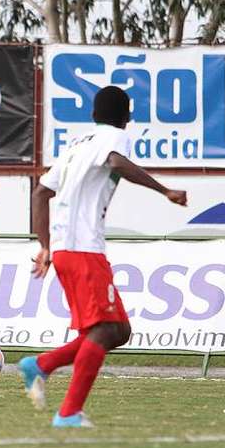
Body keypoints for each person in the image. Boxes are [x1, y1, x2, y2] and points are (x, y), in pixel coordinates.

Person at [19, 85, 187, 427]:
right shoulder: (115, 138)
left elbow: (40, 194)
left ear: (94, 115)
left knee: (118, 329)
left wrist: (46, 246)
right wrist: (165, 190)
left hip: (69, 250)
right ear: (126, 118)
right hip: (83, 250)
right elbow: (116, 162)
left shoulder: (76, 146)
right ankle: (68, 413)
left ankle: (41, 366)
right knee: (107, 330)